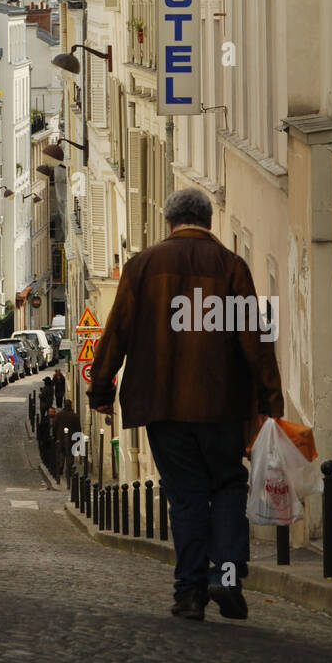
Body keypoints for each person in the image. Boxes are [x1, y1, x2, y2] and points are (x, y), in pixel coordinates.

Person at [88, 188, 284, 622]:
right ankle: (227, 576)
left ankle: (190, 594)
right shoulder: (232, 267)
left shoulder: (142, 267)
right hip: (221, 405)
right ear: (209, 221)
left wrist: (101, 391)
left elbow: (116, 332)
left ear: (170, 223)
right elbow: (255, 341)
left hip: (162, 406)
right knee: (229, 485)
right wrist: (271, 401)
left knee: (186, 497)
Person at [54, 399, 81, 479]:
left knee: (61, 454)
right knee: (70, 455)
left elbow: (55, 426)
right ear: (71, 405)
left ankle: (61, 468)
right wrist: (79, 440)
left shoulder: (59, 415)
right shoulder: (74, 416)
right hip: (72, 439)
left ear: (64, 405)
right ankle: (69, 470)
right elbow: (78, 429)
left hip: (61, 438)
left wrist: (56, 436)